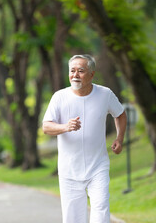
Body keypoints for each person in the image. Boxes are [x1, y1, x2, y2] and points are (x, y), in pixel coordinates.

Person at [42, 54, 127, 223]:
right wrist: (65, 127)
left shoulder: (105, 94)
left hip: (98, 166)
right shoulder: (59, 97)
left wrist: (120, 138)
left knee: (101, 209)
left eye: (81, 71)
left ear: (92, 74)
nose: (75, 75)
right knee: (73, 218)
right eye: (72, 71)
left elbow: (120, 114)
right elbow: (46, 126)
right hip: (69, 170)